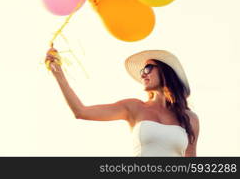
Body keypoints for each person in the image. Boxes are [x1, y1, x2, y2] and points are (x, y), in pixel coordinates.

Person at [45, 48, 199, 157]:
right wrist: (58, 73)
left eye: (148, 68)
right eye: (142, 71)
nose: (143, 75)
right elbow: (81, 111)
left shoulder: (189, 118)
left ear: (165, 71)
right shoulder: (134, 107)